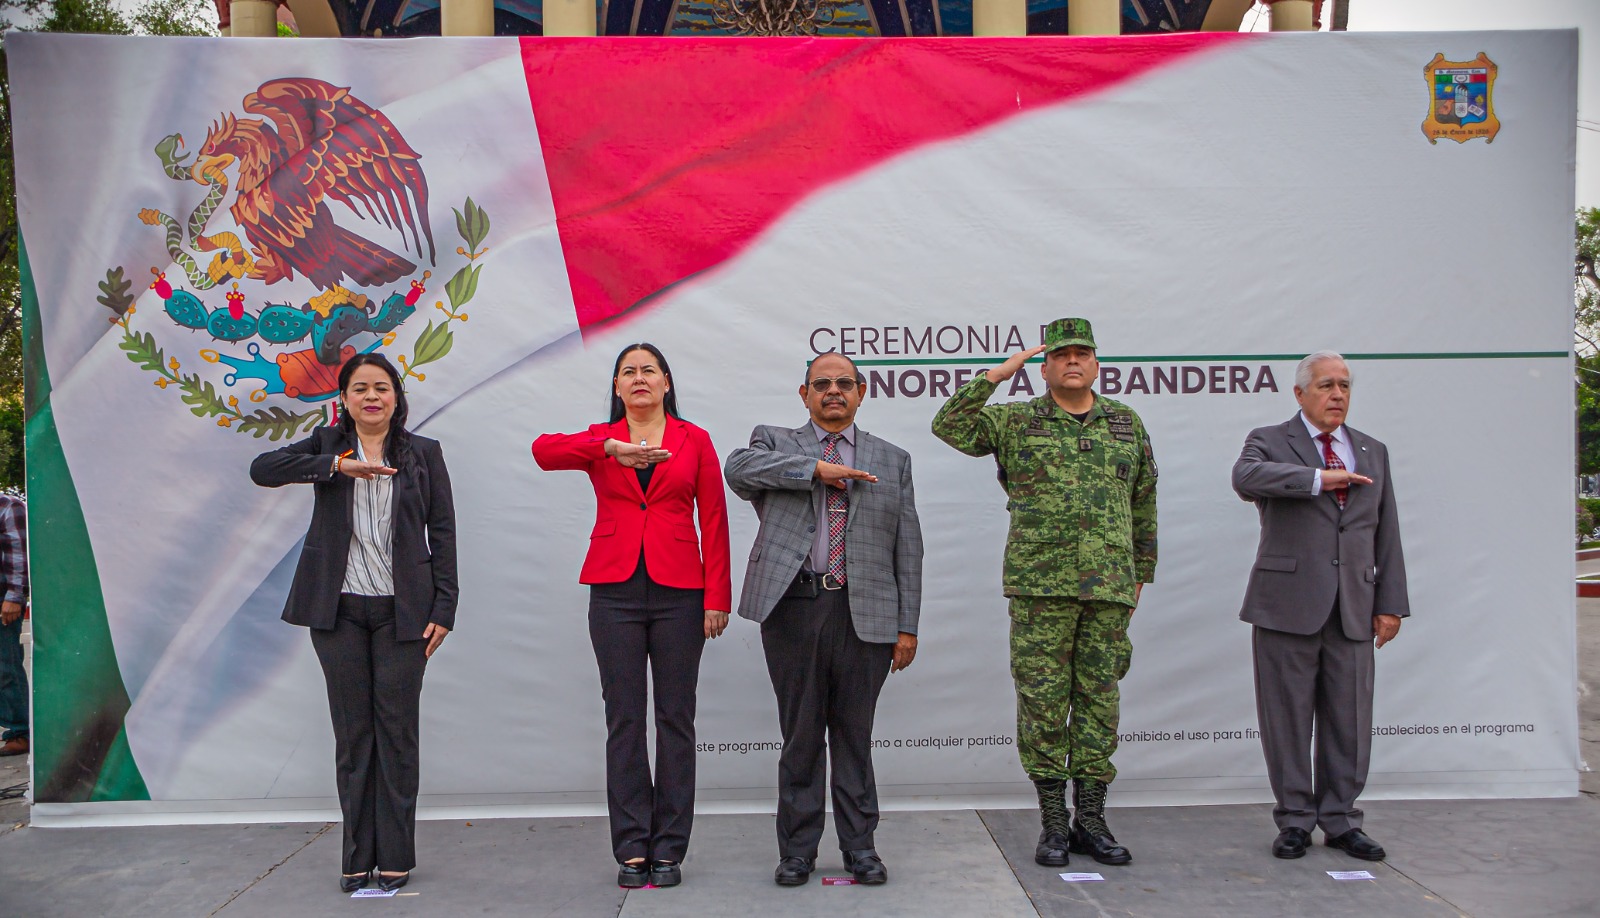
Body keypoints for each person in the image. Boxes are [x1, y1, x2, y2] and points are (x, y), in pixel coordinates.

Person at [931, 317, 1156, 868]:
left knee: (1099, 701)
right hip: (1041, 588)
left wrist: (1139, 575)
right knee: (1043, 703)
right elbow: (948, 425)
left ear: (1096, 363)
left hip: (1109, 587)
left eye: (1083, 353)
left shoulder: (1125, 422)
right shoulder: (1015, 420)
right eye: (1061, 355)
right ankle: (1055, 822)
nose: (1072, 361)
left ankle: (1093, 820)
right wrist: (998, 375)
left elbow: (1144, 502)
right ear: (1046, 366)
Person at [251, 353, 457, 893]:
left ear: (396, 397)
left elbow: (445, 535)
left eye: (381, 388)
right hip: (337, 611)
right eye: (360, 388)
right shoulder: (326, 446)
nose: (372, 396)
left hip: (403, 613)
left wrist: (444, 609)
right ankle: (355, 856)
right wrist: (336, 467)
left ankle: (394, 856)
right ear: (343, 399)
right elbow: (262, 469)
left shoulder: (424, 454)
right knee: (353, 735)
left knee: (396, 733)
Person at [532, 342, 732, 889]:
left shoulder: (696, 440)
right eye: (628, 372)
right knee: (624, 720)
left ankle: (669, 848)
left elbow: (713, 518)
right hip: (614, 591)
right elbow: (542, 451)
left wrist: (718, 596)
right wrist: (609, 447)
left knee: (675, 719)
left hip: (680, 592)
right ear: (617, 386)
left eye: (649, 370)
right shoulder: (601, 440)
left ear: (666, 382)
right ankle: (631, 848)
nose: (639, 378)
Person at [724, 352, 923, 887]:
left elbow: (909, 549)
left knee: (855, 736)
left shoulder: (894, 458)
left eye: (844, 384)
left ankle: (861, 848)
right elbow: (737, 470)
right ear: (804, 394)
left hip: (867, 613)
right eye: (822, 384)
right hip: (793, 607)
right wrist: (815, 469)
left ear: (861, 393)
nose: (833, 391)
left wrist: (908, 625)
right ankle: (797, 852)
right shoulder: (774, 442)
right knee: (801, 736)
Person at [1231, 350, 1408, 862]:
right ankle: (1293, 821)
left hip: (1355, 606)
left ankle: (1342, 820)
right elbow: (1246, 479)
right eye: (1327, 385)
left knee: (1349, 721)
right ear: (1300, 393)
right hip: (1286, 605)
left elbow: (1386, 532)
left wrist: (1390, 603)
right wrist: (1318, 480)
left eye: (1345, 386)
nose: (1338, 395)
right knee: (1285, 719)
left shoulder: (1372, 450)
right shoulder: (1268, 441)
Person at [0, 494, 27, 758]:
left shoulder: (9, 506)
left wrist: (14, 596)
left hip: (3, 599)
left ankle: (19, 731)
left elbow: (19, 554)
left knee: (5, 664)